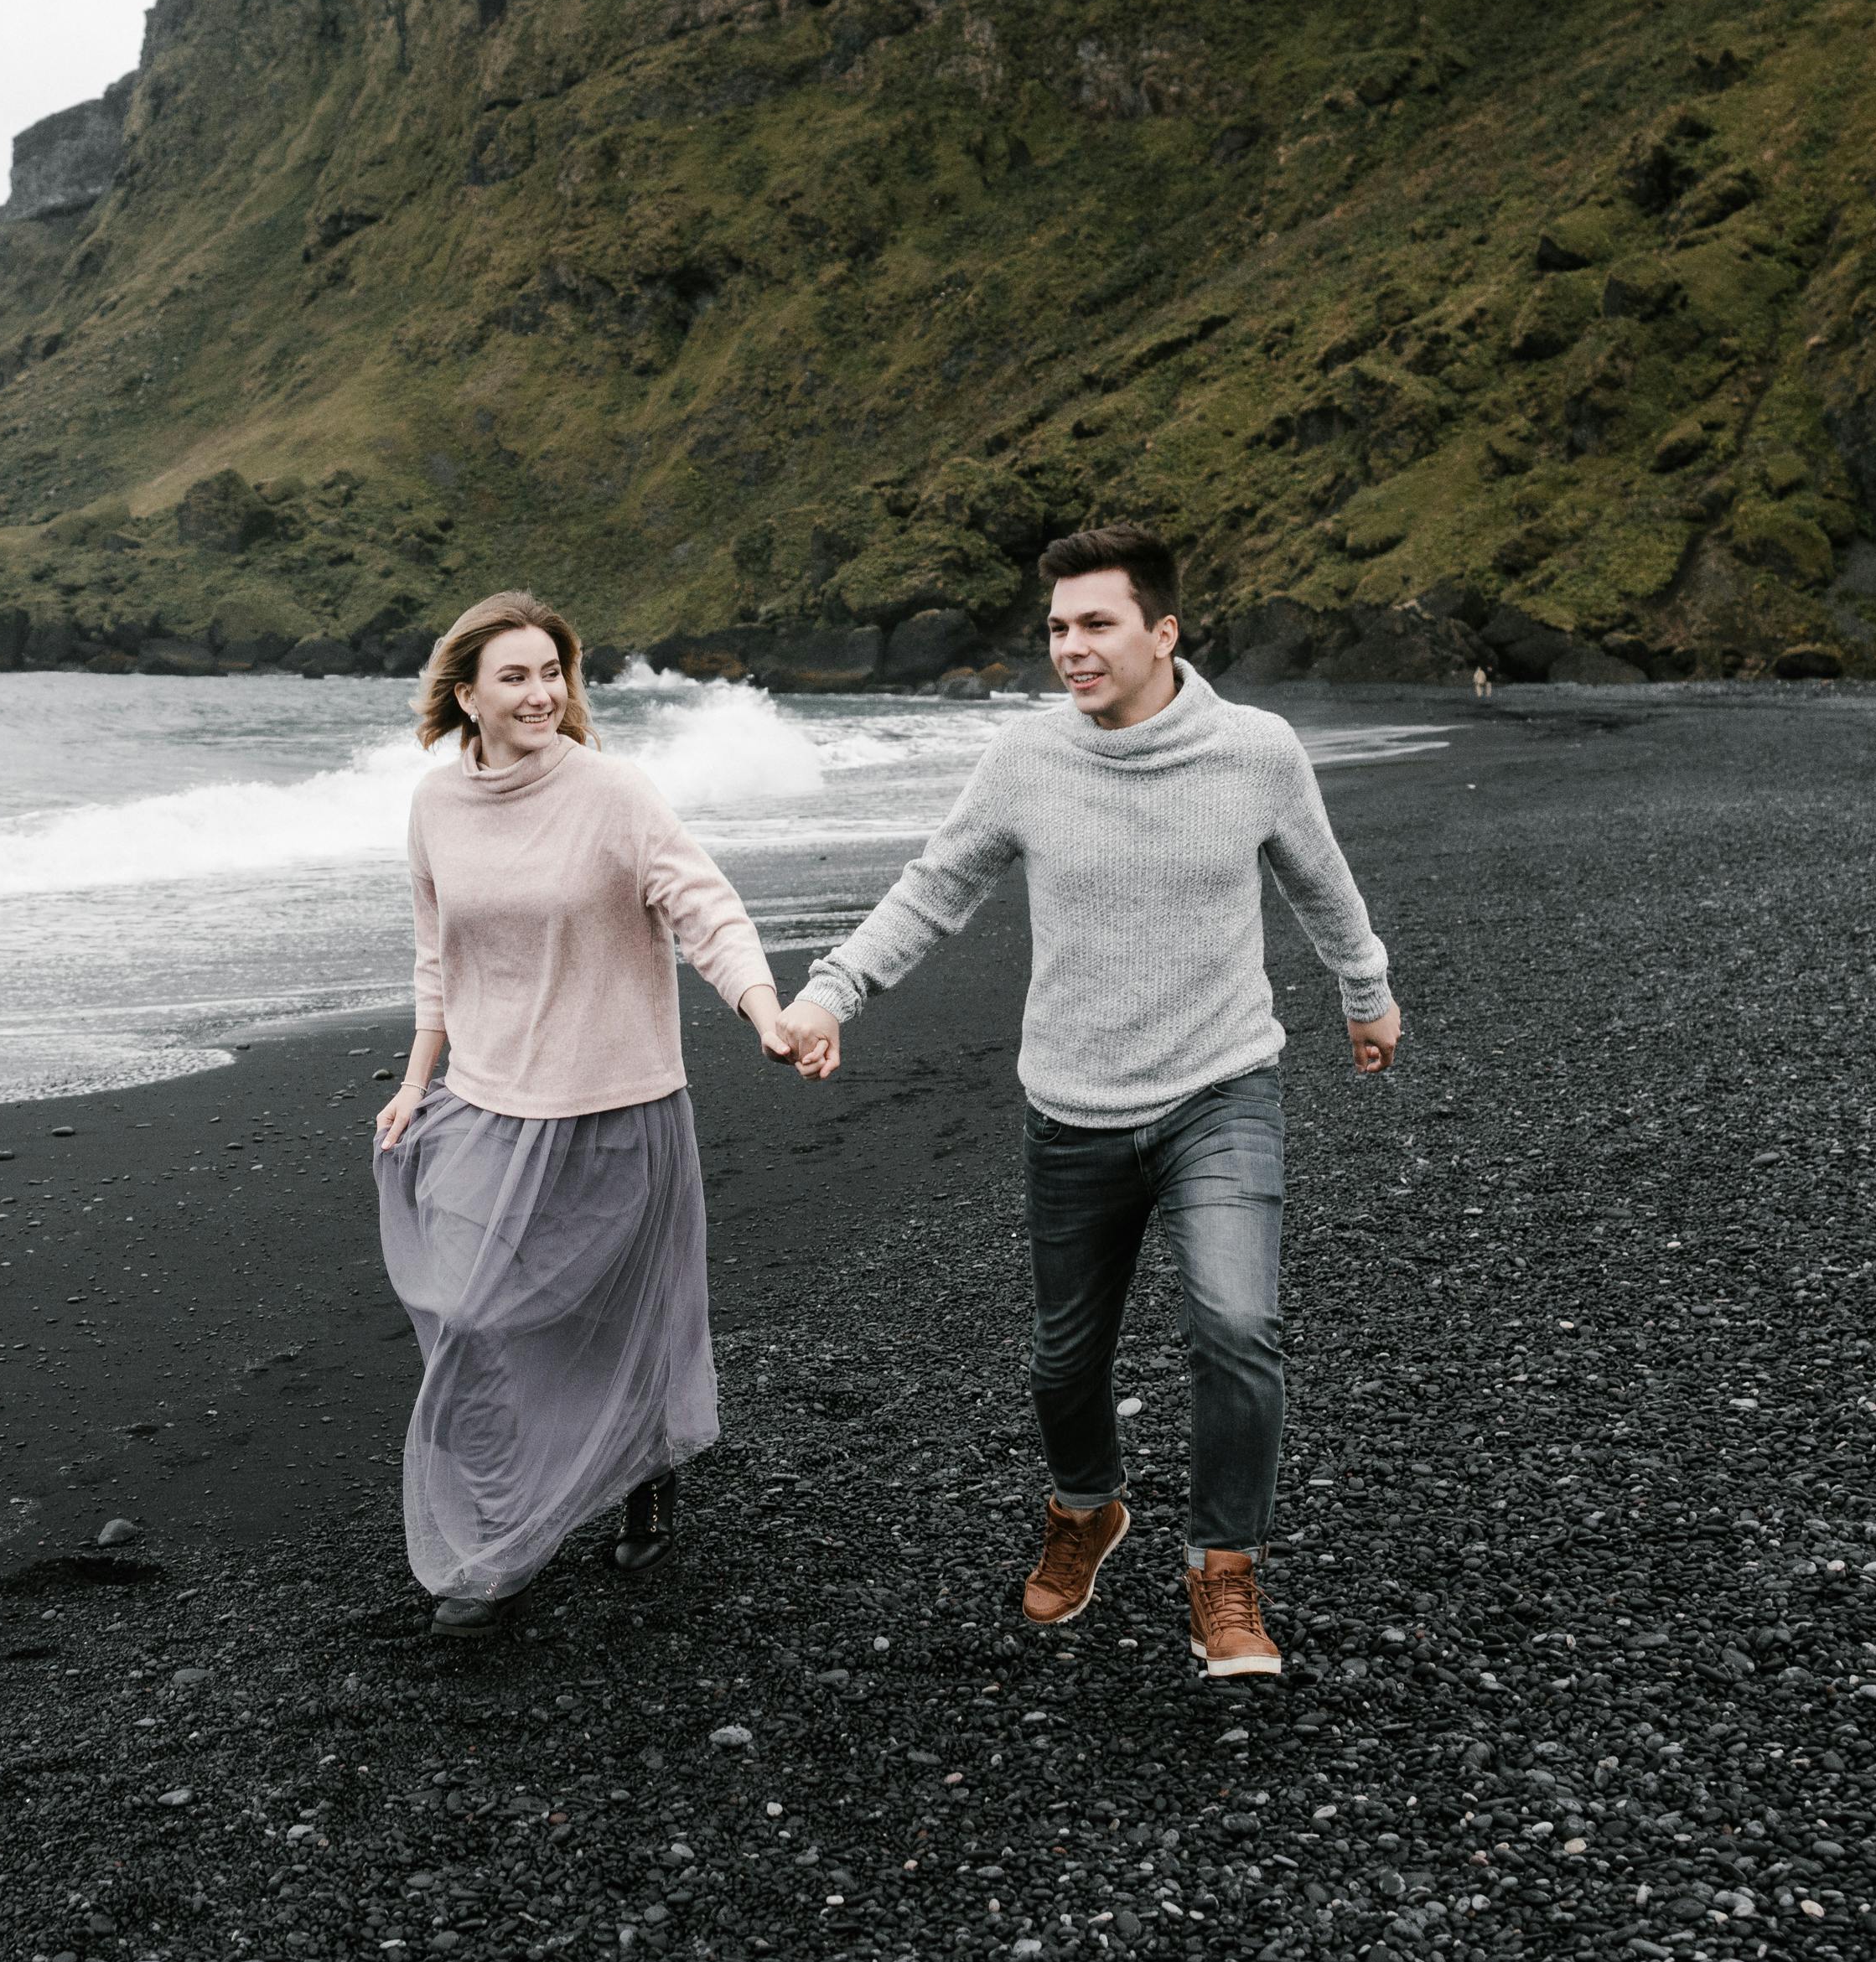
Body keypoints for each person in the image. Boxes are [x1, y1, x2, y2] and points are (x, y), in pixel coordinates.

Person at [778, 520, 1400, 1680]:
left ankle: (1223, 1567)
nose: (1069, 645)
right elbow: (935, 887)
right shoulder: (1026, 759)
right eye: (1057, 626)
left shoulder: (1257, 751)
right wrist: (833, 992)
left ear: (1164, 632)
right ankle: (1087, 1507)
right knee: (1065, 1360)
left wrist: (1366, 992)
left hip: (1222, 1087)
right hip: (1072, 1108)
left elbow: (1322, 878)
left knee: (1237, 1325)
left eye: (1095, 622)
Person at [373, 591, 793, 1633]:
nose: (540, 692)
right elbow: (437, 959)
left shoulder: (612, 792)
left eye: (552, 670)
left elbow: (705, 907)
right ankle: (492, 1543)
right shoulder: (433, 804)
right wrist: (414, 1079)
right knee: (471, 1318)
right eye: (513, 675)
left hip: (616, 1102)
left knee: (612, 1316)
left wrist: (761, 1006)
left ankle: (642, 1471)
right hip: (481, 1102)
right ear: (464, 694)